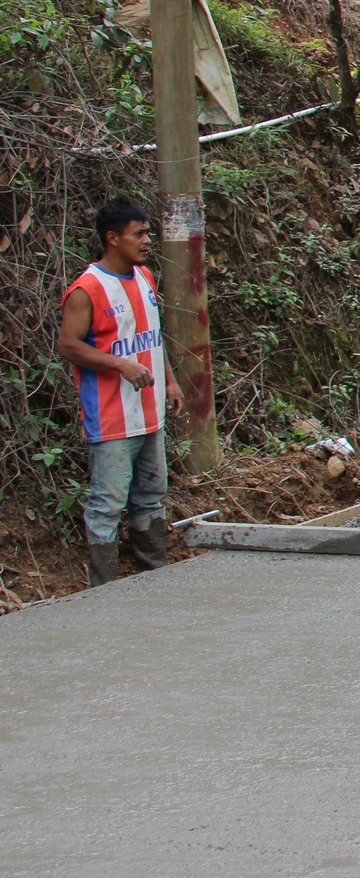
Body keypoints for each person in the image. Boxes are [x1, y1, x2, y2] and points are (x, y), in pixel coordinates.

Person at [57, 198, 183, 587]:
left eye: (147, 232)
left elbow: (150, 335)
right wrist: (119, 364)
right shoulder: (87, 289)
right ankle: (104, 588)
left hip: (149, 412)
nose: (147, 240)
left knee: (151, 493)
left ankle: (153, 574)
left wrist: (171, 380)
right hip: (111, 417)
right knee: (108, 503)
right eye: (139, 234)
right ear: (112, 238)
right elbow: (68, 345)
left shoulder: (144, 277)